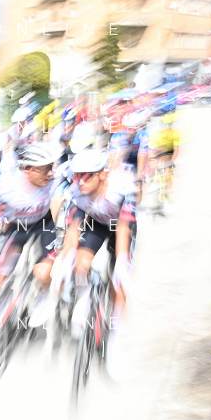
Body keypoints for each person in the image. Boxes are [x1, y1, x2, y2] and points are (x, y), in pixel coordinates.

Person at [58, 147, 138, 372]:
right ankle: (85, 300)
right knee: (80, 262)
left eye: (87, 176)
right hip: (97, 223)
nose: (80, 181)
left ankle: (116, 338)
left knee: (118, 283)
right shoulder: (75, 192)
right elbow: (72, 231)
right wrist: (66, 262)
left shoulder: (122, 188)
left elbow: (123, 228)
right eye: (76, 175)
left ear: (103, 174)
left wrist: (121, 263)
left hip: (121, 226)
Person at [0, 142, 61, 314]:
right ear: (29, 169)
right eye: (46, 169)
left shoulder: (53, 181)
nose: (51, 173)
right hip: (18, 225)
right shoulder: (9, 187)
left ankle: (43, 297)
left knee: (42, 272)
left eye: (51, 167)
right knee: (4, 266)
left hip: (45, 224)